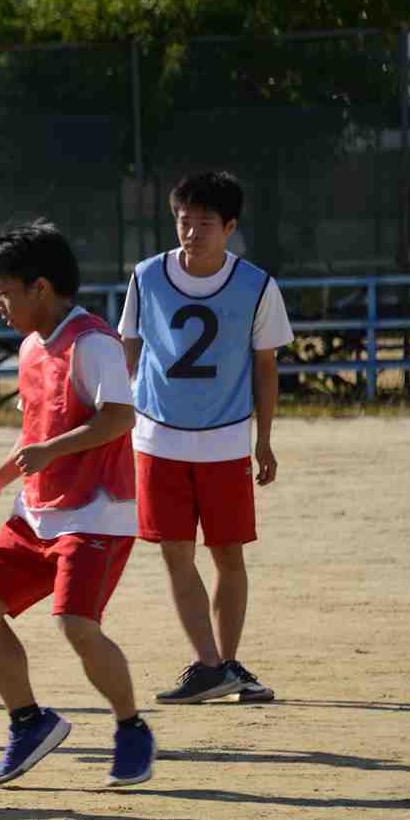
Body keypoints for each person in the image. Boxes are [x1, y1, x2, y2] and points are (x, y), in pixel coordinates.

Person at [0, 221, 155, 788]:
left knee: (77, 625)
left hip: (96, 511)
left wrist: (51, 451)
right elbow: (37, 432)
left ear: (40, 288)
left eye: (4, 291)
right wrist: (0, 478)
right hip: (37, 510)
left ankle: (131, 727)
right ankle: (30, 722)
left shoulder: (93, 342)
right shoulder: (29, 347)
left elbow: (120, 417)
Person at [120, 171, 294, 705]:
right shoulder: (147, 276)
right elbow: (128, 349)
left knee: (228, 554)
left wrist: (264, 439)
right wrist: (113, 417)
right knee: (175, 551)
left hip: (223, 441)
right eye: (183, 221)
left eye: (205, 223)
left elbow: (266, 367)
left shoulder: (257, 285)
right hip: (158, 438)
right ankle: (208, 663)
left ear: (230, 227)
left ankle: (228, 661)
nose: (192, 232)